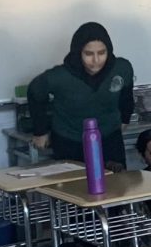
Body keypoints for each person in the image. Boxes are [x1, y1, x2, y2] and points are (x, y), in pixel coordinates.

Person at [27, 22, 134, 168]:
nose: (96, 60)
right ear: (78, 53)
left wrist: (125, 119)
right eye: (89, 54)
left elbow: (126, 96)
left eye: (102, 53)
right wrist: (41, 131)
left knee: (117, 185)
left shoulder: (122, 68)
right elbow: (35, 92)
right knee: (74, 187)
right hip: (69, 140)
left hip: (109, 138)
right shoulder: (60, 76)